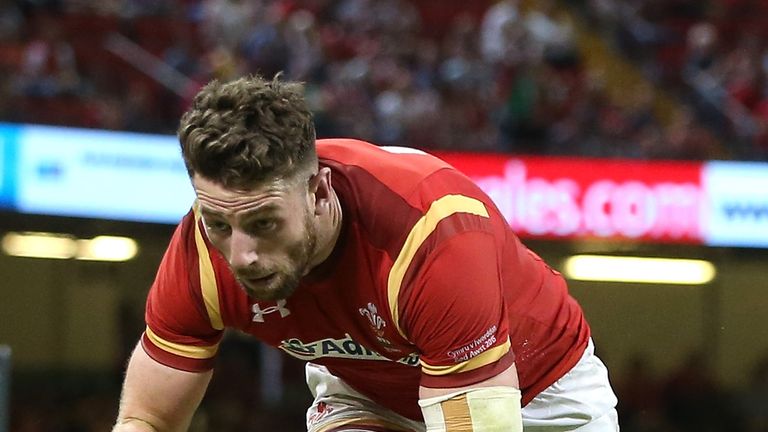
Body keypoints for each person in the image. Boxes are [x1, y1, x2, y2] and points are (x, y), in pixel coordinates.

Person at [112, 74, 619, 432]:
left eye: (264, 224)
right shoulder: (202, 251)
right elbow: (147, 420)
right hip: (367, 398)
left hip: (541, 395)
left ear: (317, 193)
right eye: (219, 224)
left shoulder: (430, 237)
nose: (241, 254)